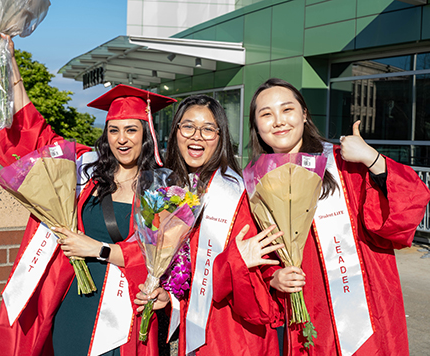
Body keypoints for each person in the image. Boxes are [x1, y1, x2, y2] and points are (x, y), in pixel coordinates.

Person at [0, 35, 176, 356]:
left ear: (147, 135)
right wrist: (8, 62)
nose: (122, 139)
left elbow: (159, 259)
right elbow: (36, 132)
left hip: (123, 313)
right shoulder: (86, 170)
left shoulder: (163, 189)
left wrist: (97, 249)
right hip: (73, 299)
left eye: (132, 130)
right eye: (114, 130)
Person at [248, 78, 430, 356]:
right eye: (266, 114)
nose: (278, 121)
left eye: (287, 110)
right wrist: (274, 277)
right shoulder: (255, 182)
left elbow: (407, 205)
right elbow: (253, 251)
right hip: (307, 313)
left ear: (304, 114)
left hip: (367, 312)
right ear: (257, 127)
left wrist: (373, 159)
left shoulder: (344, 162)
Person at [135, 94, 284, 356]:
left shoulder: (242, 195)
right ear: (176, 131)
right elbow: (183, 271)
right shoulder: (170, 192)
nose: (196, 136)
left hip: (232, 336)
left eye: (208, 129)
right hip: (185, 332)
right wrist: (168, 298)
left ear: (220, 136)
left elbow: (262, 285)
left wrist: (235, 262)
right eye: (188, 126)